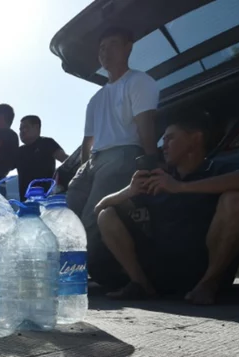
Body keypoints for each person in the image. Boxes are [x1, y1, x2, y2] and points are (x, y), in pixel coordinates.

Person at [93, 115, 239, 305]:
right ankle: (140, 284)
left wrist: (180, 187)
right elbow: (100, 207)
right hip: (161, 271)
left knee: (238, 199)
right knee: (106, 214)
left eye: (170, 138)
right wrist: (130, 191)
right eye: (163, 140)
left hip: (205, 271)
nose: (163, 146)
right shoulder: (159, 179)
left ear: (196, 138)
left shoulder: (216, 169)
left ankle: (208, 284)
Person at [67, 26, 160, 243]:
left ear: (128, 48)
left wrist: (152, 164)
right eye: (101, 48)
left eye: (113, 45)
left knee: (94, 215)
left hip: (123, 155)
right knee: (67, 210)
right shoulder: (96, 99)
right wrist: (84, 169)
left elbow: (146, 125)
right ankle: (68, 262)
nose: (105, 51)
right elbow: (87, 141)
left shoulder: (139, 81)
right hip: (93, 162)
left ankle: (86, 270)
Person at [16, 115, 68, 197]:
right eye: (20, 129)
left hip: (47, 198)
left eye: (25, 127)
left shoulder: (47, 143)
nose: (22, 131)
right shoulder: (19, 151)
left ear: (36, 127)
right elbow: (5, 165)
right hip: (27, 201)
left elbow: (66, 161)